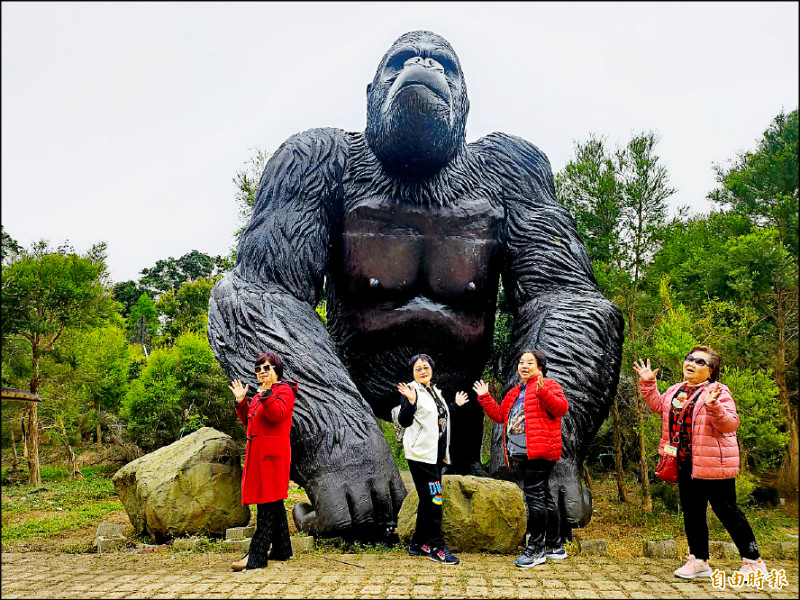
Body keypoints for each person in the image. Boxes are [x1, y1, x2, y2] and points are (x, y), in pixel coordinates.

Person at [633, 346, 769, 579]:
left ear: (711, 371)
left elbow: (730, 425)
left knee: (727, 512)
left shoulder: (719, 391)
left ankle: (753, 561)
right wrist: (648, 384)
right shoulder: (678, 390)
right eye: (689, 359)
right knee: (692, 512)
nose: (692, 363)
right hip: (686, 463)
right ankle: (699, 561)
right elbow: (660, 407)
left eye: (700, 362)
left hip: (714, 465)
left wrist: (713, 406)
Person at [473, 349, 569, 568]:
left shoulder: (550, 385)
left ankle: (536, 549)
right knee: (544, 495)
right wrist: (484, 397)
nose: (524, 366)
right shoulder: (516, 391)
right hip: (523, 451)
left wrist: (543, 392)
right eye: (521, 362)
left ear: (540, 367)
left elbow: (561, 408)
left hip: (540, 450)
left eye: (530, 362)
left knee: (535, 496)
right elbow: (499, 415)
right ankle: (555, 546)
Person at [392, 354, 468, 565]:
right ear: (413, 373)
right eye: (418, 369)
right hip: (420, 456)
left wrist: (455, 406)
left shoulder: (434, 391)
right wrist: (410, 401)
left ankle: (419, 543)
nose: (423, 371)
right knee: (435, 500)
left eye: (426, 367)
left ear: (432, 369)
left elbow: (437, 418)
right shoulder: (412, 390)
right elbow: (405, 420)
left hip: (435, 455)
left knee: (428, 499)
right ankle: (437, 546)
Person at [228, 352, 298, 571]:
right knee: (273, 502)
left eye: (266, 368)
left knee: (266, 506)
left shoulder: (284, 391)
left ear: (277, 370)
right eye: (258, 369)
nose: (261, 373)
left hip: (272, 458)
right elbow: (250, 422)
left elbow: (276, 415)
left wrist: (266, 394)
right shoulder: (260, 394)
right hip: (259, 456)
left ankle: (256, 557)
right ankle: (282, 549)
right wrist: (241, 402)